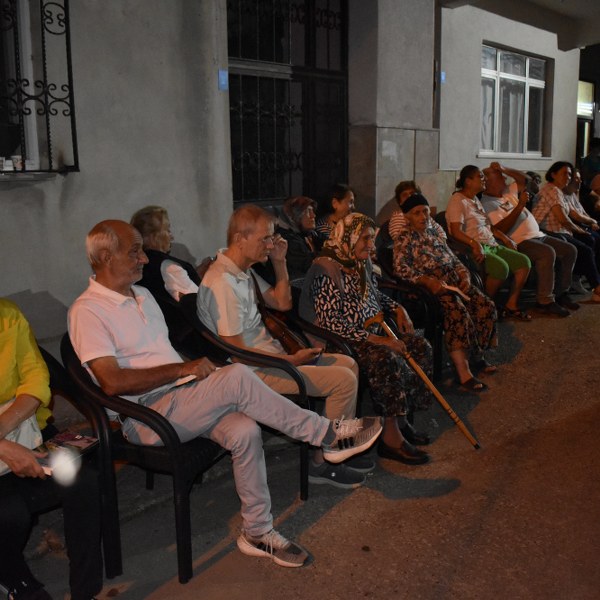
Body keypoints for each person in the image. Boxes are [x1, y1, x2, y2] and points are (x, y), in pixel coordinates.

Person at [68, 220, 382, 569]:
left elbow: (160, 354)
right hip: (145, 417)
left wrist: (192, 374)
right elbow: (111, 382)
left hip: (182, 399)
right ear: (106, 257)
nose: (144, 258)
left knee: (245, 430)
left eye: (142, 250)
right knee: (237, 376)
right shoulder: (87, 311)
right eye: (135, 252)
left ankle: (257, 532)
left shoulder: (142, 295)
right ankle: (326, 435)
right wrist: (183, 370)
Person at [197, 205, 369, 489]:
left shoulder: (242, 270)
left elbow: (282, 302)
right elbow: (239, 354)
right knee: (343, 381)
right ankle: (322, 463)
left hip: (272, 357)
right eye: (265, 238)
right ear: (240, 239)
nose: (271, 244)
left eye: (272, 237)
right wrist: (291, 361)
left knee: (349, 364)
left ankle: (338, 447)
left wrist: (279, 262)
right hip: (254, 372)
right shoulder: (222, 282)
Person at [300, 212, 434, 464]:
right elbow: (331, 323)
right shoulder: (325, 268)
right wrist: (379, 340)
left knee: (419, 346)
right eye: (365, 238)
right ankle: (391, 439)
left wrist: (398, 308)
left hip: (370, 332)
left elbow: (373, 295)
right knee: (386, 357)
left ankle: (400, 420)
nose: (371, 245)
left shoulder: (358, 262)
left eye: (372, 238)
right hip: (341, 341)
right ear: (348, 238)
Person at [0, 299, 102, 600]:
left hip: (25, 428)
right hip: (10, 438)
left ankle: (85, 590)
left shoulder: (8, 315)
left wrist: (5, 428)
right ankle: (16, 582)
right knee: (10, 512)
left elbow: (36, 376)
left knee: (83, 480)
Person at [394, 195, 498, 392]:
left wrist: (464, 274)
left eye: (425, 211)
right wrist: (426, 281)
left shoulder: (434, 233)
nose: (423, 216)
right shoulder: (404, 238)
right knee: (457, 313)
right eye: (417, 213)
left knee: (485, 305)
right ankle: (463, 372)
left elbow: (453, 258)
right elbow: (400, 269)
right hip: (433, 287)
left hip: (454, 280)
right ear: (407, 217)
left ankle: (476, 355)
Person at [481, 162, 577, 316]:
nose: (505, 179)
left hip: (538, 235)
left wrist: (504, 168)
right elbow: (500, 229)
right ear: (488, 182)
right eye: (500, 177)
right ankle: (544, 301)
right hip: (519, 240)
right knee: (547, 253)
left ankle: (561, 293)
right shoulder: (487, 203)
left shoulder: (507, 192)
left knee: (569, 250)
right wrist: (520, 206)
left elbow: (526, 179)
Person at [446, 165, 532, 320]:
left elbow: (488, 226)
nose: (484, 179)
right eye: (480, 176)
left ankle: (511, 305)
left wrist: (505, 238)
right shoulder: (457, 200)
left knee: (524, 262)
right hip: (475, 247)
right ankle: (483, 306)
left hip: (490, 245)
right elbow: (455, 231)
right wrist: (474, 244)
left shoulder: (475, 199)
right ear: (468, 181)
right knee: (501, 267)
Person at [532, 162, 600, 303]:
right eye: (564, 174)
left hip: (560, 230)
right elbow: (563, 219)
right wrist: (580, 230)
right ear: (553, 174)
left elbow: (574, 213)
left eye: (569, 174)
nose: (568, 177)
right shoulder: (552, 190)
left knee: (589, 241)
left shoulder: (559, 191)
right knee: (585, 248)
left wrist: (588, 224)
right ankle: (596, 287)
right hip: (547, 231)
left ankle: (577, 282)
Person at [130, 206, 201, 303]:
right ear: (155, 235)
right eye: (168, 230)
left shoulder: (134, 267)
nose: (171, 237)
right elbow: (199, 304)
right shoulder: (168, 267)